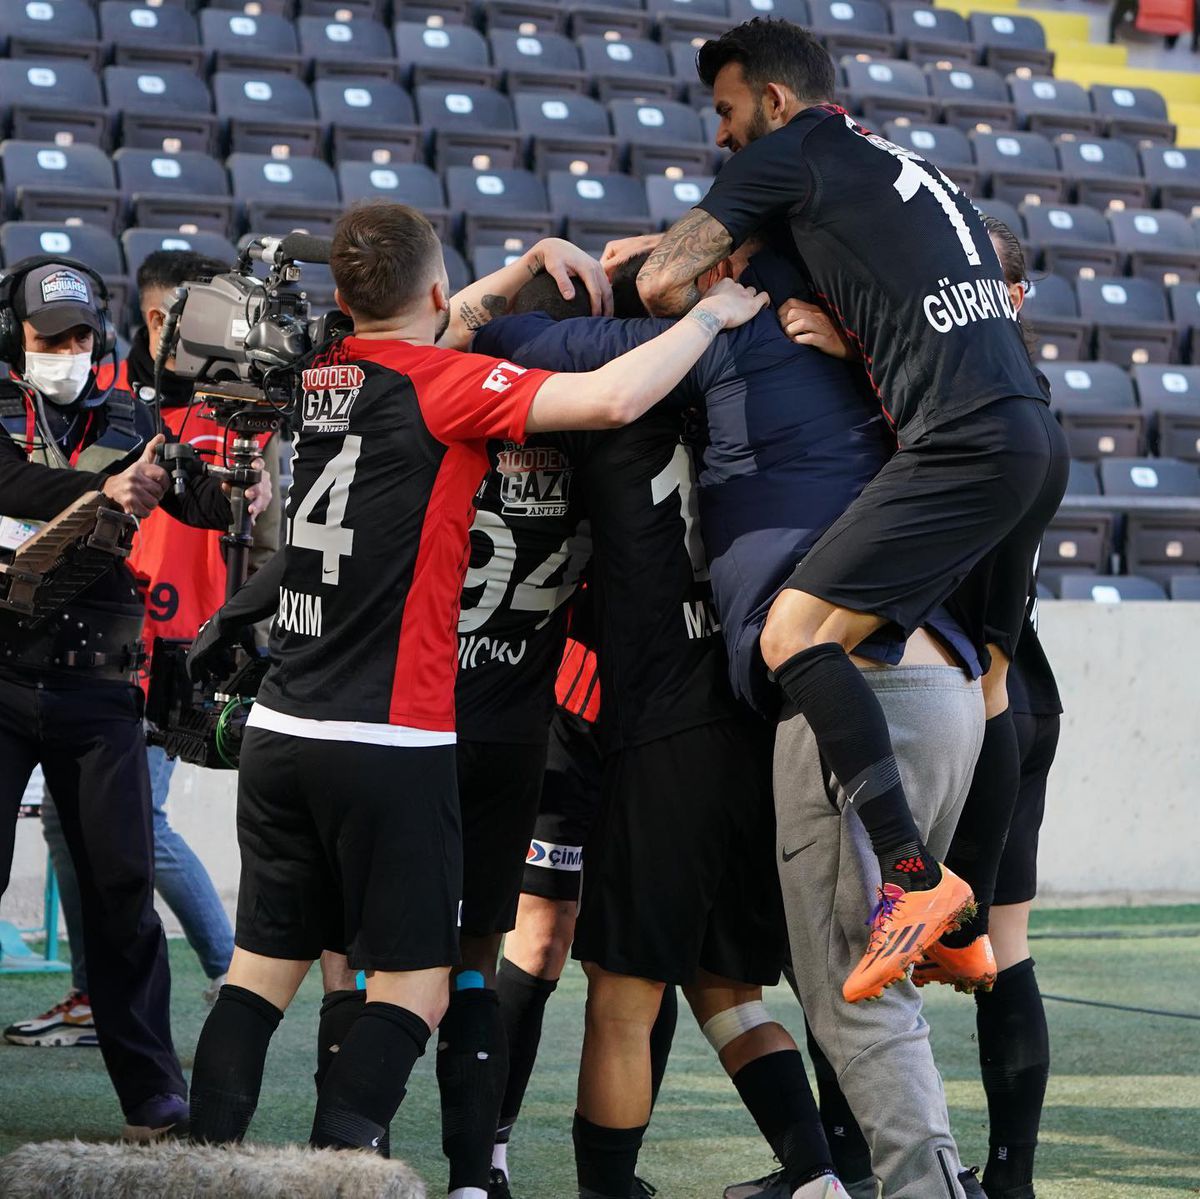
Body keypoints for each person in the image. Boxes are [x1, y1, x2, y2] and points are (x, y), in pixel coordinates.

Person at [183, 203, 768, 1153]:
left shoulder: (320, 371)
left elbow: (427, 312)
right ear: (437, 288)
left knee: (258, 975)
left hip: (283, 726)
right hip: (392, 736)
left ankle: (202, 1169)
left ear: (339, 296)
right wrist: (710, 318)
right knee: (425, 982)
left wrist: (527, 262)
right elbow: (615, 399)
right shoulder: (447, 385)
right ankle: (345, 1167)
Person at [636, 18, 1071, 1003]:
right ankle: (959, 920)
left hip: (963, 446)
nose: (721, 134)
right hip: (1028, 437)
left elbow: (666, 278)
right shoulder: (898, 163)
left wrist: (679, 271)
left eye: (728, 110)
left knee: (791, 634)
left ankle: (915, 880)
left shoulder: (789, 155)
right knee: (990, 682)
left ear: (776, 104)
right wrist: (852, 334)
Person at [475, 263, 845, 1199]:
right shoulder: (742, 394)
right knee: (727, 984)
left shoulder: (601, 405)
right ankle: (817, 1176)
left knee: (620, 990)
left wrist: (516, 285)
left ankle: (593, 1184)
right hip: (757, 716)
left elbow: (476, 338)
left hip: (647, 724)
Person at [0, 256, 250, 1137]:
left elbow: (189, 492)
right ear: (13, 340)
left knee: (120, 894)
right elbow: (11, 483)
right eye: (47, 339)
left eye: (79, 336)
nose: (66, 351)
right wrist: (100, 489)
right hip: (0, 677)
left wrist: (231, 496)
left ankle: (153, 1093)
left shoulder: (131, 416)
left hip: (100, 684)